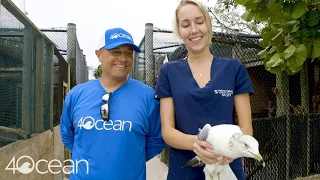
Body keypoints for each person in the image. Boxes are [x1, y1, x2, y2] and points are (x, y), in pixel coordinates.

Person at [155, 0, 254, 179]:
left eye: (199, 22)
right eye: (185, 25)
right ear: (179, 31)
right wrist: (196, 143)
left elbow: (246, 127)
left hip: (227, 167)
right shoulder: (168, 72)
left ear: (208, 24)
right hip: (183, 171)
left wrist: (229, 152)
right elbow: (167, 131)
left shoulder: (234, 68)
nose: (194, 30)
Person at [60, 27, 166, 180]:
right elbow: (67, 136)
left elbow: (157, 140)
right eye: (115, 52)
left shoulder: (148, 96)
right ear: (99, 55)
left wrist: (128, 161)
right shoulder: (76, 95)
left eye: (128, 53)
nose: (123, 58)